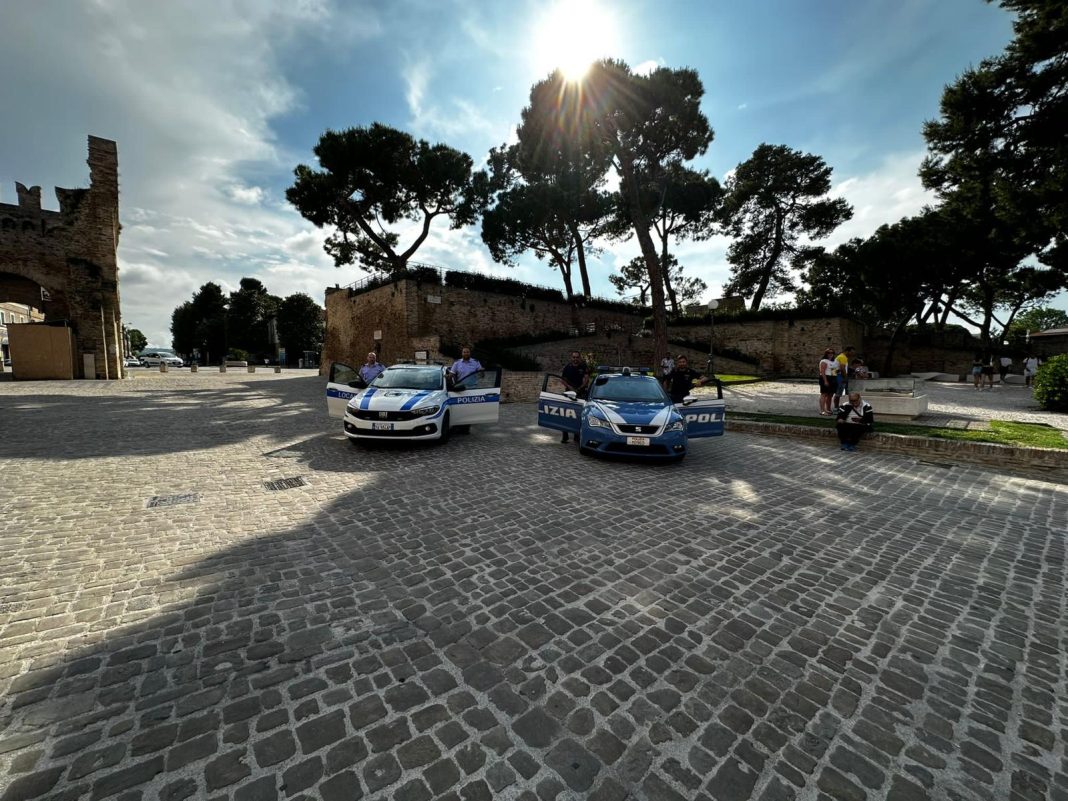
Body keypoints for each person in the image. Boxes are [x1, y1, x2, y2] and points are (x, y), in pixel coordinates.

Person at [559, 351, 590, 443]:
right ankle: (565, 436)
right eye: (574, 357)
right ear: (571, 358)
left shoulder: (583, 366)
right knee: (566, 414)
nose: (575, 359)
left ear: (579, 358)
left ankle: (577, 435)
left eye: (577, 357)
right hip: (568, 393)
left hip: (580, 393)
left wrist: (580, 388)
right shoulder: (567, 368)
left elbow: (587, 378)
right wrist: (570, 387)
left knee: (578, 414)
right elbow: (563, 380)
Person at [832, 346, 855, 411]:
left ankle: (837, 407)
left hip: (838, 375)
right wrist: (845, 377)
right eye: (852, 352)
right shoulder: (842, 357)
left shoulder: (842, 357)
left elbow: (835, 369)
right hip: (840, 376)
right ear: (848, 351)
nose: (852, 354)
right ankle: (836, 408)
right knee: (838, 393)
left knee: (839, 393)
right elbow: (842, 368)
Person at [818, 348, 836, 416]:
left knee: (830, 395)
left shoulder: (833, 361)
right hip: (825, 378)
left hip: (832, 378)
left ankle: (828, 409)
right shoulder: (824, 361)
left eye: (832, 353)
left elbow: (833, 371)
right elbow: (822, 372)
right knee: (824, 394)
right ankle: (822, 410)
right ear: (826, 354)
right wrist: (825, 381)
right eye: (829, 353)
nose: (830, 354)